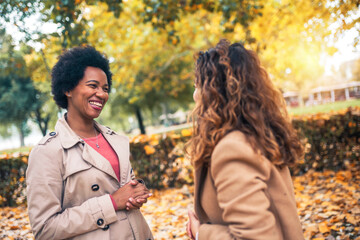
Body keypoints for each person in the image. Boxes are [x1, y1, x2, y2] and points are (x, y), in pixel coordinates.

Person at [26, 46, 153, 240]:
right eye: (92, 86)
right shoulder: (48, 152)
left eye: (105, 89)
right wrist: (111, 203)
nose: (101, 94)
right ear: (68, 88)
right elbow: (45, 229)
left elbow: (120, 189)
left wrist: (135, 193)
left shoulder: (115, 140)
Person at [186, 39, 304, 240]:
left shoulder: (231, 149)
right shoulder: (257, 136)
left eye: (197, 85)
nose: (195, 95)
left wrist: (200, 232)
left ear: (213, 92)